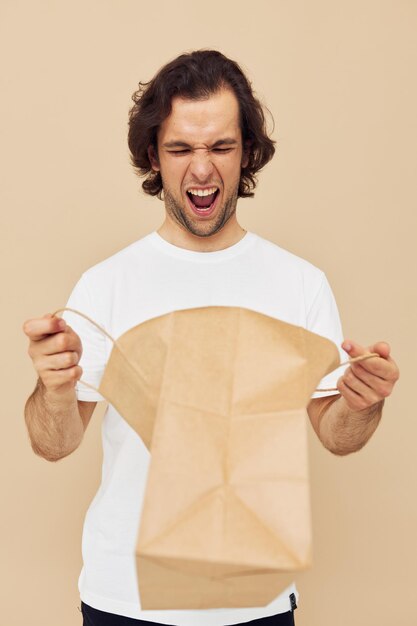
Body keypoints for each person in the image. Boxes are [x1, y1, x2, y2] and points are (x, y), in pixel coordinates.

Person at [22, 50, 399, 626]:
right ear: (154, 154)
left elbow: (338, 435)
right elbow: (54, 443)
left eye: (221, 147)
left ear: (247, 151)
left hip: (258, 602)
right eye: (180, 149)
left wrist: (361, 403)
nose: (202, 169)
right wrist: (51, 389)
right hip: (125, 601)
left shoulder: (300, 283)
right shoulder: (106, 284)